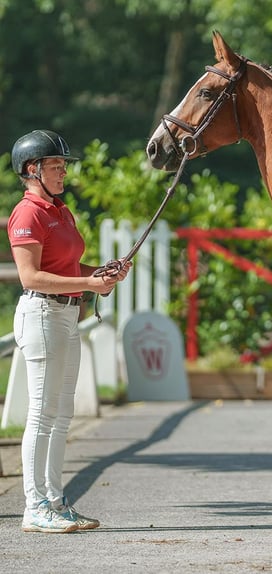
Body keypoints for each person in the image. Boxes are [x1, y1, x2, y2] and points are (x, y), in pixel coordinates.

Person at [7, 129, 131, 533]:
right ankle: (33, 505)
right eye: (56, 166)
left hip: (67, 316)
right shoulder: (27, 214)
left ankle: (56, 502)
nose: (63, 173)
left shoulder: (61, 211)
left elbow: (68, 270)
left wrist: (100, 274)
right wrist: (90, 285)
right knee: (42, 414)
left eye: (63, 166)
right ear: (32, 170)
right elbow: (32, 277)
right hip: (41, 315)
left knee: (62, 415)